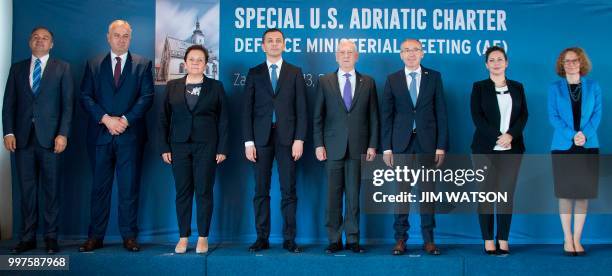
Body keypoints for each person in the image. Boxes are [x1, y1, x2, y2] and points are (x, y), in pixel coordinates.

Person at [79, 19, 153, 252]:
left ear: (130, 38)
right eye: (117, 35)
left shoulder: (143, 64)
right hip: (100, 135)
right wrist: (106, 119)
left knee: (129, 188)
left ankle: (129, 236)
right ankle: (95, 236)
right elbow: (86, 96)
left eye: (125, 36)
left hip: (130, 136)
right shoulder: (93, 64)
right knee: (99, 188)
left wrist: (125, 120)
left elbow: (147, 97)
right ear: (108, 37)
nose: (121, 39)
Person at [3, 27, 74, 254]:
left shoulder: (62, 68)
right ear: (29, 42)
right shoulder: (17, 69)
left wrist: (63, 133)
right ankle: (27, 237)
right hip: (22, 140)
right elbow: (8, 105)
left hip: (52, 139)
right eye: (36, 37)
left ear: (51, 44)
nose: (40, 41)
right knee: (27, 190)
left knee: (51, 190)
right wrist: (8, 132)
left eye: (45, 38)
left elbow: (68, 105)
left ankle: (51, 237)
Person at [381, 38, 448, 256]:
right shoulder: (392, 79)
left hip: (428, 144)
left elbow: (442, 114)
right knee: (402, 195)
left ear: (423, 53)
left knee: (428, 194)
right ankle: (400, 239)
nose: (411, 54)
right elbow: (387, 116)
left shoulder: (434, 77)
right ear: (401, 54)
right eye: (406, 50)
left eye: (415, 50)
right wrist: (387, 148)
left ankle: (429, 240)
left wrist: (441, 146)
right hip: (400, 145)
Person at [242, 28, 307, 253]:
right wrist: (248, 142)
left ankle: (289, 239)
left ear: (284, 45)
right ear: (263, 46)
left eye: (278, 41)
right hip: (260, 140)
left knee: (289, 190)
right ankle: (262, 237)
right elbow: (246, 111)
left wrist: (299, 138)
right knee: (261, 190)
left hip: (288, 139)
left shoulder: (295, 72)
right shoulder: (254, 72)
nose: (274, 44)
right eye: (270, 41)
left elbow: (302, 109)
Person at [159, 45, 228, 254]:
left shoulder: (216, 87)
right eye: (192, 59)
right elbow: (163, 118)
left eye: (200, 60)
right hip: (178, 146)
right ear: (185, 62)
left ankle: (203, 237)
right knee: (183, 192)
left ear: (205, 64)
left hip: (207, 146)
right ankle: (183, 236)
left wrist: (222, 148)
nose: (196, 63)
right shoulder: (172, 86)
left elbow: (224, 120)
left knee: (204, 191)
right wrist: (164, 146)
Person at [313, 39, 378, 254]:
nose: (346, 55)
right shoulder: (325, 81)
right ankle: (334, 238)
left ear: (357, 56)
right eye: (342, 52)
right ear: (336, 56)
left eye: (350, 52)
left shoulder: (368, 82)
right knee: (332, 195)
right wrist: (319, 144)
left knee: (353, 196)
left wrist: (372, 145)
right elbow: (318, 117)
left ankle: (352, 239)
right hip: (332, 147)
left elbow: (374, 117)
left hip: (359, 147)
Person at [470, 46, 528, 255]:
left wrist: (510, 135)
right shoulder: (479, 87)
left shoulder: (517, 87)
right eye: (492, 60)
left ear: (507, 62)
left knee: (505, 195)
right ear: (486, 65)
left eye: (500, 59)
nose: (496, 63)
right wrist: (498, 137)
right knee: (486, 195)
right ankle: (488, 239)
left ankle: (503, 238)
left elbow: (523, 116)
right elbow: (477, 117)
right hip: (485, 149)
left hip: (512, 149)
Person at [548, 47, 601, 257]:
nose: (571, 64)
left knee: (582, 195)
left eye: (575, 60)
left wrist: (584, 135)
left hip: (588, 145)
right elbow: (553, 116)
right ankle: (567, 238)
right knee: (565, 194)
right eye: (567, 61)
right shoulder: (554, 88)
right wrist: (572, 135)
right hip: (563, 146)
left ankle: (578, 238)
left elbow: (597, 114)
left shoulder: (594, 86)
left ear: (582, 63)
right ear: (562, 65)